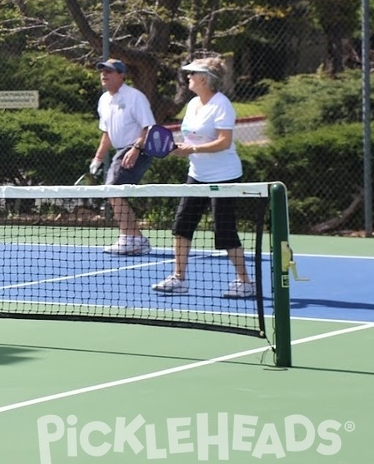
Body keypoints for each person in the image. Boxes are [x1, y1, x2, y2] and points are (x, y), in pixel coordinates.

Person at [151, 56, 255, 299]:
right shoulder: (193, 105)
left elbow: (224, 142)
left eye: (193, 73)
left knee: (225, 230)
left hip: (224, 177)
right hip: (197, 175)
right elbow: (192, 140)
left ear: (205, 79)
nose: (188, 76)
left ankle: (245, 282)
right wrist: (179, 149)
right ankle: (179, 278)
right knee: (181, 225)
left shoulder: (222, 105)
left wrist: (193, 149)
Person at [90, 59, 157, 255]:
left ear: (122, 76)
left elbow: (148, 127)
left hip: (138, 149)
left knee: (113, 191)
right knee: (114, 192)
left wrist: (135, 149)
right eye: (102, 71)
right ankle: (133, 237)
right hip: (121, 150)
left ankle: (132, 238)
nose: (104, 74)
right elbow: (107, 133)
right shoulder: (104, 101)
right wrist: (98, 159)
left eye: (110, 71)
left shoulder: (135, 97)